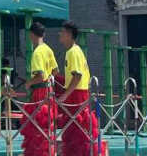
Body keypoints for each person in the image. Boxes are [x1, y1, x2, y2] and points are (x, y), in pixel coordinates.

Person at [56, 21, 99, 156]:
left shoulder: (73, 52)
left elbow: (77, 76)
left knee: (76, 128)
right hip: (79, 93)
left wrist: (65, 95)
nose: (60, 34)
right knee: (76, 128)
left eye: (62, 32)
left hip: (77, 94)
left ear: (69, 35)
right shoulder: (75, 50)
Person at [18, 21, 59, 156]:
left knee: (37, 125)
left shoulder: (37, 52)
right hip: (49, 90)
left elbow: (40, 76)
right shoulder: (48, 49)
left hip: (40, 92)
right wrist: (49, 80)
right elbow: (55, 71)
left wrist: (29, 83)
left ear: (31, 34)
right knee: (48, 124)